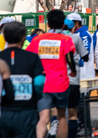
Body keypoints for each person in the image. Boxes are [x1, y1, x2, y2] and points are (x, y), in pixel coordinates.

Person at [27, 10, 76, 138]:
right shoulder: (66, 39)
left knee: (43, 118)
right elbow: (70, 57)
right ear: (63, 25)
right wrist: (73, 70)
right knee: (61, 117)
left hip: (42, 83)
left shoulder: (38, 39)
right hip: (60, 83)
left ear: (48, 24)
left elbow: (29, 57)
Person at [0, 22, 38, 138]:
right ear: (23, 38)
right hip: (27, 110)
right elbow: (39, 82)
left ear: (5, 37)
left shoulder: (1, 57)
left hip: (4, 111)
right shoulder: (32, 57)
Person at [62, 17, 89, 138]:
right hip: (73, 79)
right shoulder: (75, 38)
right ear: (73, 27)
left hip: (56, 80)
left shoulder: (53, 38)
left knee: (58, 113)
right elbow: (85, 56)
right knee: (73, 114)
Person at [67, 14, 94, 80]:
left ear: (77, 23)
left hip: (84, 71)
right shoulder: (72, 34)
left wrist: (79, 64)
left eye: (72, 22)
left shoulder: (83, 34)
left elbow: (85, 52)